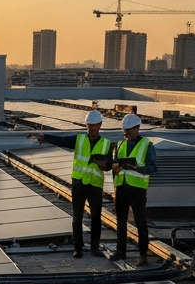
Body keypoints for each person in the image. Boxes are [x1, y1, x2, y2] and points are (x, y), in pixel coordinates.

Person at [29, 109, 111, 257]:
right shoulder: (79, 139)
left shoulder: (106, 144)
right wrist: (45, 137)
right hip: (79, 184)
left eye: (94, 125)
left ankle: (94, 247)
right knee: (77, 217)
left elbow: (109, 165)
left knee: (96, 218)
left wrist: (104, 165)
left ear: (100, 125)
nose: (92, 128)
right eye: (89, 125)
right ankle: (78, 248)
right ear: (86, 125)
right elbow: (62, 140)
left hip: (95, 185)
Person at [112, 113, 158, 266]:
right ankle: (120, 252)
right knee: (121, 221)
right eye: (124, 131)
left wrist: (139, 168)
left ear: (137, 128)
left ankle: (143, 255)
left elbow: (153, 168)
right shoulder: (120, 144)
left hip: (137, 190)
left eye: (129, 130)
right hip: (121, 188)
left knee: (140, 222)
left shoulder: (147, 145)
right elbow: (116, 167)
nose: (126, 133)